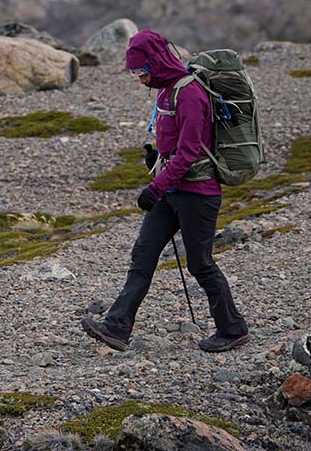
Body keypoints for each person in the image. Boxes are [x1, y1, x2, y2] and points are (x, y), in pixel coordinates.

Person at [81, 29, 250, 353]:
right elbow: (174, 147)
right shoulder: (164, 91)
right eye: (135, 73)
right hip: (171, 190)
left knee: (200, 265)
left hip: (198, 194)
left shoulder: (189, 94)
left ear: (156, 63)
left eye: (142, 72)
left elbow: (189, 153)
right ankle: (117, 328)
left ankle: (233, 329)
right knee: (143, 255)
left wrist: (155, 186)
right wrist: (156, 158)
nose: (140, 79)